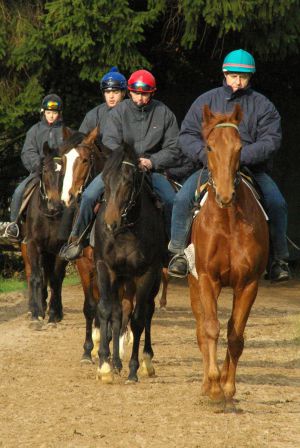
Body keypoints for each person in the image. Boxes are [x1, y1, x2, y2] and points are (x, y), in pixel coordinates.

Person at [168, 49, 290, 283]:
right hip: (211, 166)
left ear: (250, 77)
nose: (238, 81)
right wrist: (208, 157)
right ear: (225, 74)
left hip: (250, 168)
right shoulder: (205, 101)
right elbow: (187, 135)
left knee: (277, 203)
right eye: (234, 75)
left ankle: (278, 260)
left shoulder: (263, 105)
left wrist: (239, 157)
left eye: (243, 76)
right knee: (182, 199)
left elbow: (271, 140)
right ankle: (178, 254)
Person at [61, 69, 183, 261]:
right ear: (130, 91)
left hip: (150, 170)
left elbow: (174, 147)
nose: (140, 98)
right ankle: (77, 239)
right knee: (89, 195)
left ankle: (173, 250)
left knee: (171, 200)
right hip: (119, 168)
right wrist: (129, 160)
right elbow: (109, 141)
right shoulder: (119, 111)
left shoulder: (164, 113)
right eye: (136, 93)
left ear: (152, 92)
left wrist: (152, 161)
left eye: (145, 94)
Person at [5, 94, 65, 240]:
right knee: (19, 191)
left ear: (59, 114)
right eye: (48, 112)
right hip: (39, 172)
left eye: (54, 113)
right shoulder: (34, 130)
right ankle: (14, 225)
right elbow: (28, 151)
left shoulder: (66, 132)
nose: (51, 116)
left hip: (60, 175)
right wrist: (38, 165)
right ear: (43, 112)